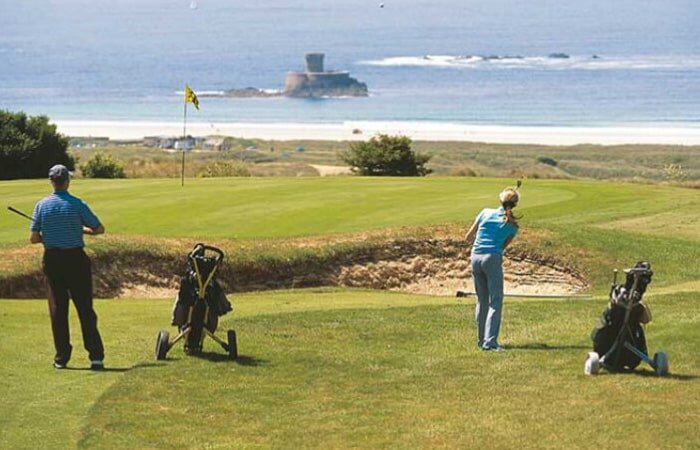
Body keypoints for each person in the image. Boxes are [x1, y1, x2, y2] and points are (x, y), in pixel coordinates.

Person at [30, 164, 106, 370]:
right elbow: (99, 229)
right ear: (67, 181)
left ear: (51, 181)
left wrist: (48, 235)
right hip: (76, 260)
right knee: (85, 308)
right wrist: (82, 230)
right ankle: (95, 357)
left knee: (58, 309)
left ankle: (61, 358)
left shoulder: (42, 206)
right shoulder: (77, 204)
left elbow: (34, 238)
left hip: (53, 261)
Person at [464, 187, 520, 351]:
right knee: (495, 301)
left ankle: (482, 341)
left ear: (500, 200)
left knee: (482, 301)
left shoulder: (485, 212)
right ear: (515, 204)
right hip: (491, 258)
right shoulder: (512, 225)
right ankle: (491, 342)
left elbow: (468, 237)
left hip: (475, 257)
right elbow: (502, 247)